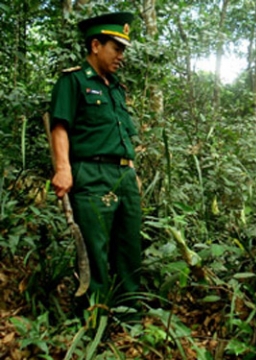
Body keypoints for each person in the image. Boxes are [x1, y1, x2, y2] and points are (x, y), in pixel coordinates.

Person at [50, 12, 142, 312]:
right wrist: (63, 169)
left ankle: (129, 318)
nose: (121, 56)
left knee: (129, 249)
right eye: (116, 48)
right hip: (91, 173)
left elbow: (122, 132)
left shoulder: (116, 88)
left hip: (124, 175)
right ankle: (94, 322)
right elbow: (59, 126)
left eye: (123, 49)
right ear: (95, 45)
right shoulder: (73, 81)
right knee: (94, 250)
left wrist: (132, 172)